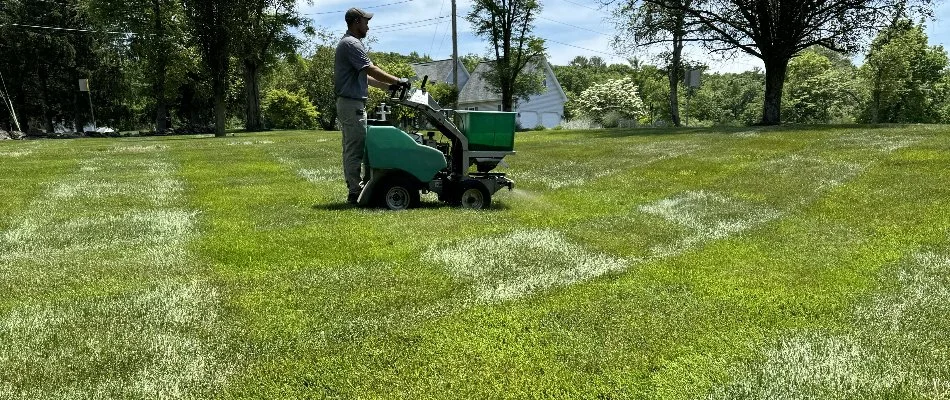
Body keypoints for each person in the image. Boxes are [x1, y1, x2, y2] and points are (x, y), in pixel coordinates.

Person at [335, 7, 409, 204]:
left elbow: (365, 76)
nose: (368, 26)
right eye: (366, 22)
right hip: (351, 103)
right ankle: (354, 192)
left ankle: (359, 188)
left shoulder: (351, 43)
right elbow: (371, 69)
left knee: (356, 147)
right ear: (356, 22)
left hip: (352, 103)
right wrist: (397, 81)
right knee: (354, 149)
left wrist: (387, 87)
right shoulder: (351, 43)